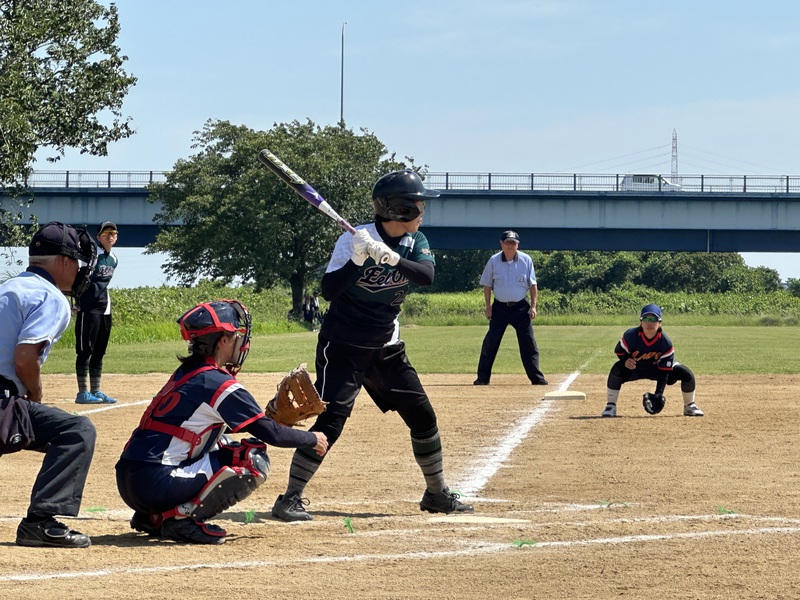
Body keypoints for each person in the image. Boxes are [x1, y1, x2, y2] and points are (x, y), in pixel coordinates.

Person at [271, 169, 473, 522]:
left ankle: (436, 494)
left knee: (423, 417)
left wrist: (392, 258)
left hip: (386, 345)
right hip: (344, 344)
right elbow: (330, 291)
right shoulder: (355, 239)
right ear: (397, 209)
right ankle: (289, 498)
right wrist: (358, 260)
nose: (422, 212)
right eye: (417, 205)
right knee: (331, 421)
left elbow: (426, 276)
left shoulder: (416, 240)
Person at [115, 300, 328, 544]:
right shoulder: (218, 382)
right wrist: (313, 438)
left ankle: (150, 517)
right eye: (235, 334)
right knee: (252, 459)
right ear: (223, 340)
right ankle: (180, 521)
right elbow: (272, 435)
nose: (240, 340)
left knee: (220, 441)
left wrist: (265, 420)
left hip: (131, 479)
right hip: (155, 483)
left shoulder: (187, 372)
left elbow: (207, 426)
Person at [1, 222, 98, 548]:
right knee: (77, 431)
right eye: (77, 262)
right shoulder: (50, 297)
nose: (80, 270)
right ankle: (41, 522)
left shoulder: (7, 288)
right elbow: (26, 357)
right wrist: (35, 393)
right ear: (64, 262)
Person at [601, 304, 704, 418]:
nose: (649, 323)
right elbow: (619, 350)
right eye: (646, 319)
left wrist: (658, 394)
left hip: (657, 370)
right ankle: (611, 406)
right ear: (641, 322)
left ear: (659, 323)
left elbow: (664, 371)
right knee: (617, 368)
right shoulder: (631, 336)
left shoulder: (665, 342)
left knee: (686, 373)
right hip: (635, 368)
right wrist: (626, 360)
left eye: (654, 319)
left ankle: (689, 406)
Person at [474, 230, 548, 386]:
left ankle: (536, 378)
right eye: (507, 242)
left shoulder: (526, 260)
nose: (510, 245)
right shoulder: (493, 261)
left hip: (521, 308)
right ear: (501, 244)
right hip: (499, 308)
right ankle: (482, 378)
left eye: (513, 243)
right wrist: (488, 307)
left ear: (518, 245)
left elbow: (533, 285)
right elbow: (487, 285)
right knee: (490, 343)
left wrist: (534, 306)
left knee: (529, 343)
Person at [74, 221, 119, 404]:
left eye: (113, 233)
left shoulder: (114, 259)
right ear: (99, 237)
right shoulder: (92, 256)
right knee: (86, 349)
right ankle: (83, 392)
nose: (110, 236)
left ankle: (96, 390)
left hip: (104, 307)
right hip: (89, 306)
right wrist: (77, 302)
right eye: (106, 233)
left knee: (100, 350)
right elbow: (78, 278)